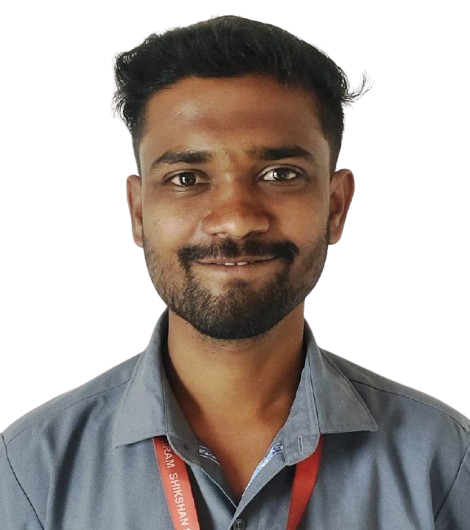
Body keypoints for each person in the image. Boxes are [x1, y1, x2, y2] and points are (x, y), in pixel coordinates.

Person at [1, 15, 468, 530]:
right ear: (138, 212)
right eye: (187, 178)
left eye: (280, 174)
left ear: (336, 206)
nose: (236, 218)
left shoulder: (446, 465)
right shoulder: (29, 473)